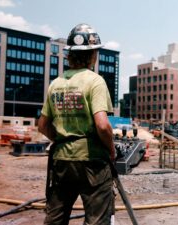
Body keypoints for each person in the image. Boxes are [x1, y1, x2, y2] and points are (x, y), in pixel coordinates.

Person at [38, 23, 115, 225]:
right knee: (96, 219)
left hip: (62, 160)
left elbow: (42, 125)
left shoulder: (55, 84)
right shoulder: (95, 81)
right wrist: (111, 148)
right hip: (92, 161)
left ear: (70, 55)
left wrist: (62, 140)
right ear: (92, 55)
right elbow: (103, 125)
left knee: (56, 216)